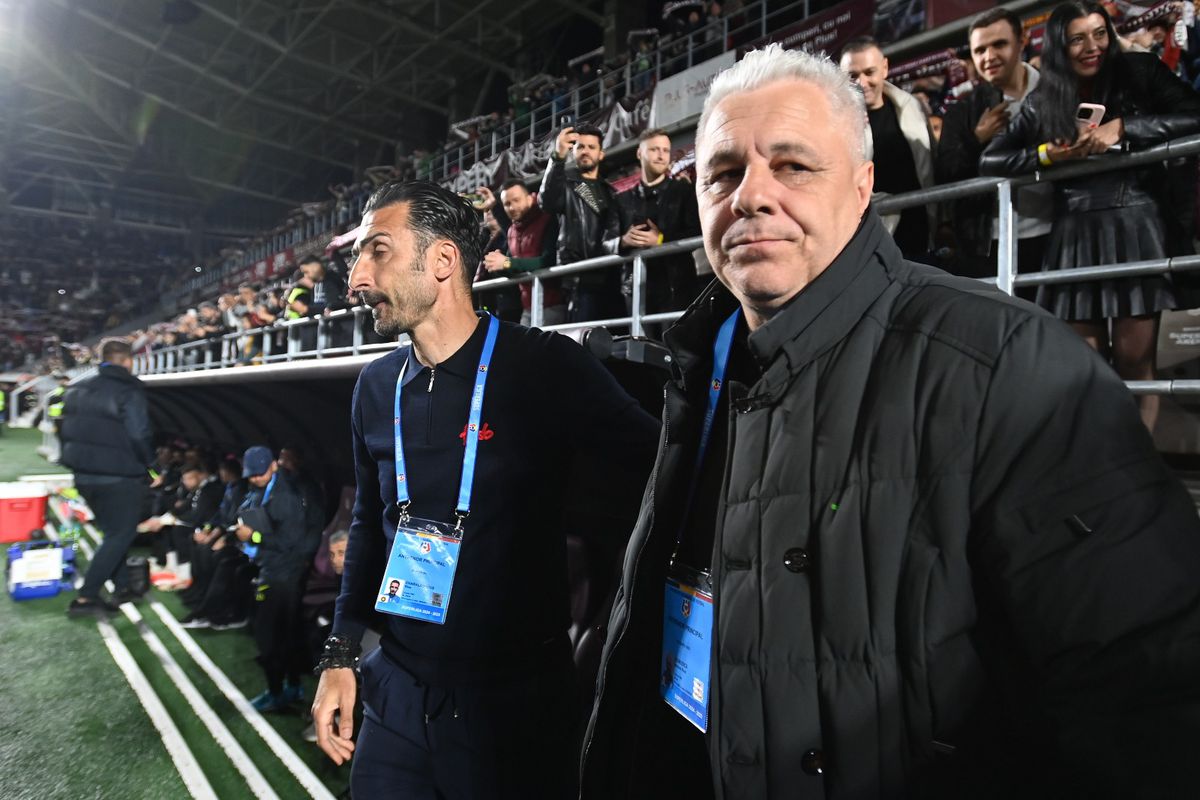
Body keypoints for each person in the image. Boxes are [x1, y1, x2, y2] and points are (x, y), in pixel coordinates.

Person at [580, 43, 1200, 799]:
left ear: (863, 185)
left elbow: (1145, 699)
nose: (751, 195)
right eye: (723, 172)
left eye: (793, 166)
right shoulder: (694, 368)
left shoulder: (1009, 362)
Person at [311, 180, 658, 799]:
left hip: (514, 705)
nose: (357, 279)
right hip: (397, 690)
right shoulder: (374, 387)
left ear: (443, 260)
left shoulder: (544, 365)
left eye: (377, 251)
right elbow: (368, 523)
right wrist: (341, 653)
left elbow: (659, 467)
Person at [981, 1, 1200, 432]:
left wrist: (1126, 128)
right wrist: (1050, 154)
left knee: (1136, 362)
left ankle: (1137, 462)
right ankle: (1102, 460)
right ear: (1059, 45)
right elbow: (991, 159)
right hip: (1075, 232)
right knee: (1085, 366)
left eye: (1100, 34)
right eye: (1077, 38)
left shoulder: (1139, 70)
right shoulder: (1047, 95)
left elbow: (1194, 115)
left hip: (1137, 222)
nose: (1092, 46)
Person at [936, 8, 1054, 280]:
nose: (989, 57)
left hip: (1055, 232)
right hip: (987, 243)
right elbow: (945, 174)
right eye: (980, 50)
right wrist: (976, 139)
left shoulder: (1057, 92)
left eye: (999, 44)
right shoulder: (962, 110)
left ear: (1022, 40)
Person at [59, 338, 154, 615]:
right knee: (120, 534)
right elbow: (140, 434)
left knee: (113, 533)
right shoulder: (128, 390)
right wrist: (152, 466)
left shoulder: (78, 388)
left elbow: (64, 430)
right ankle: (86, 598)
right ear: (127, 360)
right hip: (118, 476)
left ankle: (123, 586)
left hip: (83, 475)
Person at [840, 36, 936, 261]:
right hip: (868, 238)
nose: (862, 82)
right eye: (852, 76)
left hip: (920, 229)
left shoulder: (912, 107)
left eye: (869, 72)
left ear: (884, 68)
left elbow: (933, 165)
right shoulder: (835, 121)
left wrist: (943, 221)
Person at [236, 445, 313, 711]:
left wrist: (253, 536)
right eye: (252, 474)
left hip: (282, 574)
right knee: (284, 633)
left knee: (269, 636)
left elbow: (289, 542)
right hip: (273, 568)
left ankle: (278, 691)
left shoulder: (285, 497)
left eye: (260, 472)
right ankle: (291, 687)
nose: (256, 478)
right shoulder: (263, 489)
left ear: (273, 465)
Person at [539, 123, 626, 322]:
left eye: (591, 147)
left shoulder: (612, 192)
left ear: (601, 154)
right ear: (574, 152)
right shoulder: (566, 184)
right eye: (580, 147)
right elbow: (546, 201)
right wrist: (558, 157)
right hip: (580, 280)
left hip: (611, 277)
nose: (585, 151)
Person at [616, 128, 703, 325]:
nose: (661, 155)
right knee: (638, 343)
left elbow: (697, 233)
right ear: (640, 153)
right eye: (654, 149)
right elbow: (605, 242)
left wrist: (662, 240)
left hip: (676, 286)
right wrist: (624, 241)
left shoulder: (684, 191)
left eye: (665, 150)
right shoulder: (622, 200)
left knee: (671, 342)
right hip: (636, 288)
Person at [479, 181, 565, 326]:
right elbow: (513, 267)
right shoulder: (513, 230)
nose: (512, 207)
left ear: (530, 198)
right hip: (528, 307)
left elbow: (549, 260)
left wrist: (507, 262)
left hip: (553, 304)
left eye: (516, 200)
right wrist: (496, 266)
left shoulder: (547, 218)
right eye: (507, 204)